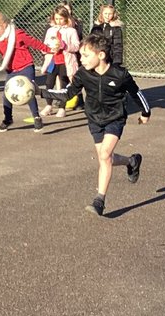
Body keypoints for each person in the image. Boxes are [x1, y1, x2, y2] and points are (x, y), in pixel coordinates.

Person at [65, 32, 151, 217]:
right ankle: (131, 161)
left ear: (101, 55)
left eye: (86, 55)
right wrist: (40, 92)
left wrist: (145, 112)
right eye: (81, 55)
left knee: (104, 155)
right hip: (95, 120)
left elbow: (137, 93)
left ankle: (99, 201)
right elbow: (68, 93)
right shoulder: (83, 74)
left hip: (115, 118)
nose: (82, 59)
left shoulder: (120, 75)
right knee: (106, 158)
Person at [0, 12, 49, 132]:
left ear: (4, 25)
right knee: (6, 95)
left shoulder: (17, 34)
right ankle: (8, 119)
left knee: (28, 92)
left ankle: (36, 117)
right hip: (12, 71)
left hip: (26, 67)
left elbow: (34, 43)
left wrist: (48, 49)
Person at [40, 5, 81, 116]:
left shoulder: (71, 31)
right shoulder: (50, 30)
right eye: (56, 18)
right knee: (49, 83)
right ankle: (49, 106)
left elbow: (77, 46)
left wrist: (64, 45)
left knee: (63, 84)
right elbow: (44, 46)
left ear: (66, 18)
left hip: (65, 61)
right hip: (52, 61)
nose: (58, 21)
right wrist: (49, 48)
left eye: (61, 19)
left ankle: (62, 107)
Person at [90, 3, 125, 67]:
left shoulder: (116, 28)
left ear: (113, 14)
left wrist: (117, 61)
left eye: (110, 14)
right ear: (102, 14)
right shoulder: (97, 26)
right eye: (105, 13)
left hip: (110, 57)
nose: (107, 16)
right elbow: (92, 39)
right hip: (98, 55)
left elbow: (118, 45)